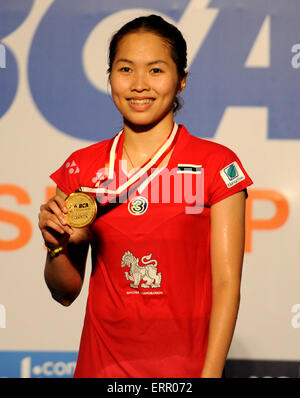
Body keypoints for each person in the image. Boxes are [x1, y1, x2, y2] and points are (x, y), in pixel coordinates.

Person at [38, 14, 253, 378]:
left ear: (181, 79)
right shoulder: (81, 169)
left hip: (184, 372)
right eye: (125, 69)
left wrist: (210, 375)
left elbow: (227, 285)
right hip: (100, 369)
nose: (139, 85)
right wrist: (55, 245)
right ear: (110, 77)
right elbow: (65, 292)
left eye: (155, 70)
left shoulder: (216, 166)